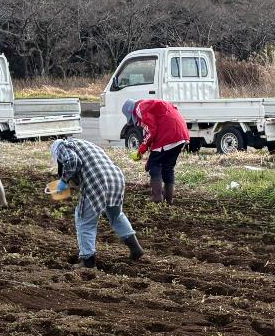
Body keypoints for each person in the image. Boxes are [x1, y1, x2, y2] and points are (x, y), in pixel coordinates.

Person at [50, 136, 143, 267]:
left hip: (97, 181)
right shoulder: (84, 144)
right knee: (115, 215)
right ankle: (135, 248)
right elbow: (84, 167)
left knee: (84, 220)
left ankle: (88, 260)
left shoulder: (61, 146)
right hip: (116, 178)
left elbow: (72, 162)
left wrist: (63, 181)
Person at [124, 96, 189, 204]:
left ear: (131, 112)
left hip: (168, 134)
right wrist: (149, 158)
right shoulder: (152, 104)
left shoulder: (139, 108)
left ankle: (157, 197)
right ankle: (169, 199)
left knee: (155, 165)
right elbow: (155, 137)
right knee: (168, 167)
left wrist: (141, 150)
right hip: (181, 134)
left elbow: (151, 131)